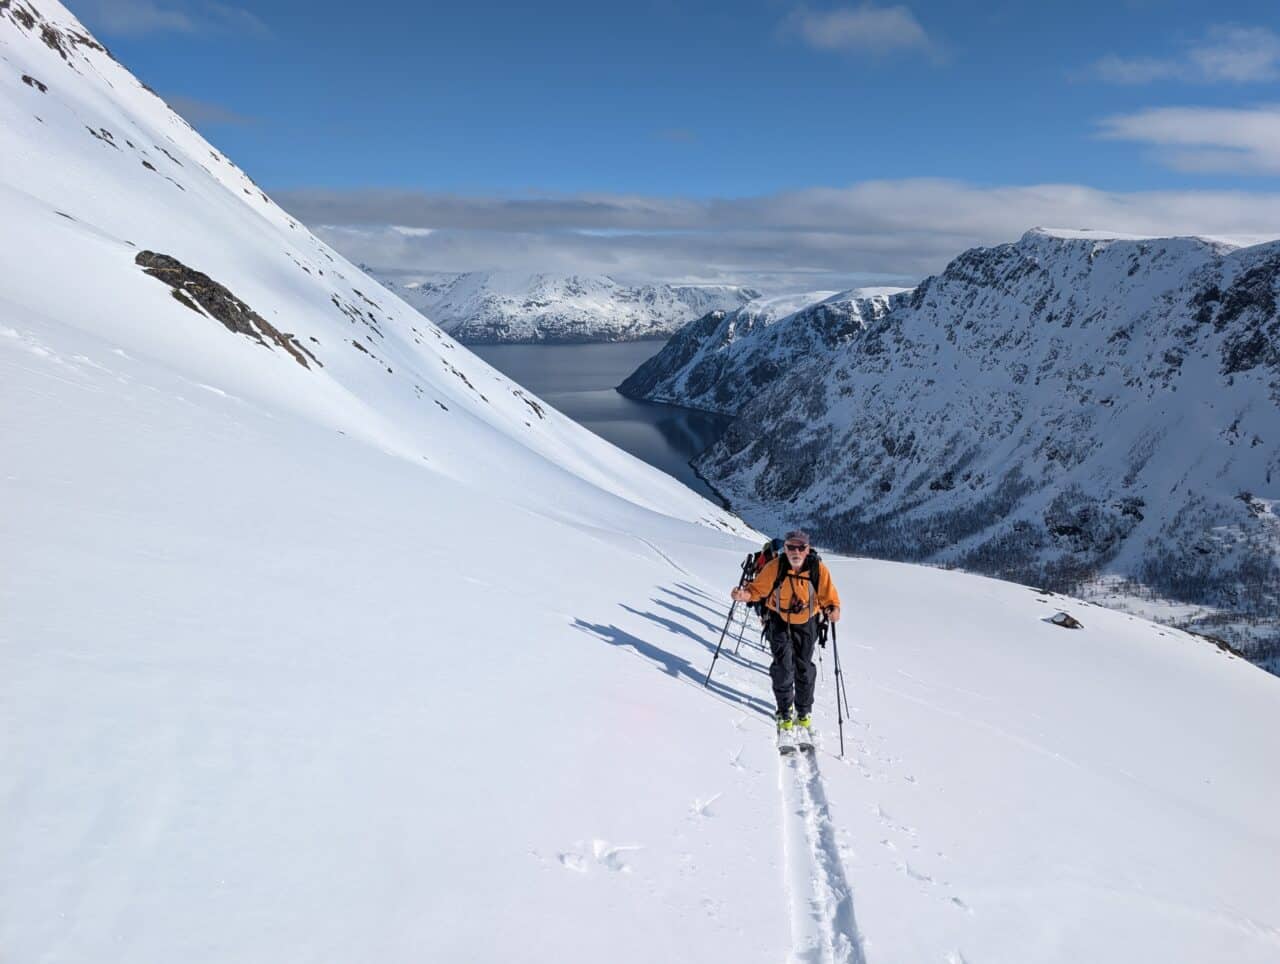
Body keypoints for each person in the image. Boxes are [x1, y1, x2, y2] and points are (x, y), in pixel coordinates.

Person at [730, 530, 841, 737]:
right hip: (779, 620)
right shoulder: (776, 566)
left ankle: (803, 711)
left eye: (800, 547)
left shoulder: (818, 569)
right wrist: (743, 595)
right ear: (786, 549)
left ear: (807, 550)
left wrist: (833, 609)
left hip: (807, 623)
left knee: (804, 668)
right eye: (791, 547)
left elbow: (829, 597)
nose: (795, 551)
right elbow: (757, 590)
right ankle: (784, 711)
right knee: (783, 667)